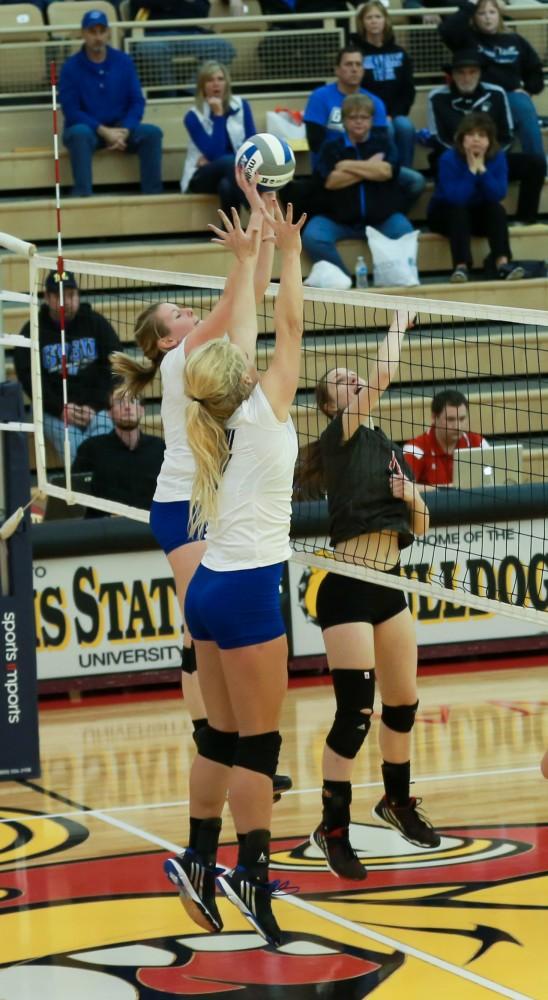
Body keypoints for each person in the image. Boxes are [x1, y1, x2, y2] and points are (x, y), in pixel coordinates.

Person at [110, 177, 290, 800]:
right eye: (177, 315)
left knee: (206, 632)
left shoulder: (205, 353)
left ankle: (234, 745)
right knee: (199, 635)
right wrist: (258, 223)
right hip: (183, 508)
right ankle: (221, 745)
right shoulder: (186, 355)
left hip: (205, 502)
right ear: (165, 339)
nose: (188, 314)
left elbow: (253, 291)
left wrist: (264, 222)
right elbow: (243, 287)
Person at [164, 200, 305, 947]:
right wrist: (288, 251)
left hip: (209, 588)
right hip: (249, 589)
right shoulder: (267, 408)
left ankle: (197, 856)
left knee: (218, 734)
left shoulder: (216, 414)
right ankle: (250, 872)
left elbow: (251, 338)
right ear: (244, 376)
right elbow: (286, 329)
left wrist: (249, 259)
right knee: (258, 743)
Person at [297, 310, 438, 880]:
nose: (355, 381)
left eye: (354, 376)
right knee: (355, 714)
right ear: (332, 406)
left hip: (391, 584)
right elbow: (381, 377)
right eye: (343, 381)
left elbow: (423, 526)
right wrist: (397, 328)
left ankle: (396, 802)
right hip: (348, 587)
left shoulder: (384, 445)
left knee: (402, 705)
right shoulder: (342, 435)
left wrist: (411, 495)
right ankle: (333, 830)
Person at [302, 93, 414, 279]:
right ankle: (345, 280)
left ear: (371, 120)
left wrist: (346, 166)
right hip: (338, 220)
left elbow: (387, 172)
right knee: (313, 237)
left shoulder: (384, 143)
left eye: (364, 117)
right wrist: (371, 167)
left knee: (405, 231)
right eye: (353, 117)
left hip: (381, 218)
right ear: (344, 121)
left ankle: (392, 280)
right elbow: (330, 181)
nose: (359, 122)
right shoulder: (331, 147)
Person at [428, 50, 545, 225]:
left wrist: (488, 157)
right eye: (461, 72)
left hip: (492, 158)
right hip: (456, 159)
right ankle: (449, 221)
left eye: (472, 72)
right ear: (452, 75)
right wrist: (466, 158)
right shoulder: (436, 97)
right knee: (438, 161)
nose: (467, 78)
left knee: (536, 163)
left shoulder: (496, 93)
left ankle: (525, 220)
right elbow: (438, 137)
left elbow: (507, 135)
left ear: (480, 73)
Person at [14, 270, 120, 462]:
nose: (65, 302)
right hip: (54, 413)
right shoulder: (33, 330)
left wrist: (95, 405)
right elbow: (30, 379)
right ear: (46, 297)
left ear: (78, 295)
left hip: (97, 408)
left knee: (104, 446)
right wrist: (60, 408)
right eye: (58, 296)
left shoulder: (96, 323)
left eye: (70, 295)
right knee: (73, 446)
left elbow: (115, 367)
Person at [304, 46, 425, 213]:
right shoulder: (320, 97)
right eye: (348, 64)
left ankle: (389, 217)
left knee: (416, 181)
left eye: (358, 65)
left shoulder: (374, 102)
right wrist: (348, 163)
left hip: (364, 164)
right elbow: (315, 142)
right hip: (332, 165)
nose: (354, 69)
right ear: (337, 70)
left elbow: (381, 145)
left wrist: (355, 166)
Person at [59, 10, 163, 197]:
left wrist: (125, 130)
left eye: (102, 31)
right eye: (92, 31)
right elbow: (71, 110)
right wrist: (103, 131)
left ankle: (153, 194)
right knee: (78, 133)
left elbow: (137, 101)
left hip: (121, 129)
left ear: (108, 33)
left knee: (152, 133)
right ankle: (83, 194)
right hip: (90, 131)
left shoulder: (123, 61)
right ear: (83, 33)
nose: (98, 37)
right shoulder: (70, 67)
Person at [438, 0, 545, 160]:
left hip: (509, 96)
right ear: (474, 17)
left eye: (492, 12)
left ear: (499, 15)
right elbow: (446, 30)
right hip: (479, 95)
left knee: (523, 105)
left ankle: (538, 164)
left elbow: (535, 70)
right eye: (481, 13)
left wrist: (529, 90)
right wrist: (470, 5)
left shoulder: (516, 40)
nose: (487, 18)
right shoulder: (467, 39)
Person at [427, 112, 525, 284]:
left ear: (489, 141)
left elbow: (498, 194)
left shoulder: (497, 157)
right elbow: (456, 198)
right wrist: (472, 171)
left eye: (482, 135)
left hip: (477, 215)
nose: (476, 139)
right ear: (462, 139)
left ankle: (502, 264)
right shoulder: (448, 159)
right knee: (458, 210)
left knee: (497, 209)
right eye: (471, 134)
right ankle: (461, 267)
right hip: (445, 215)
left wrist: (483, 171)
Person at [181, 61, 256, 216]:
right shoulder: (193, 116)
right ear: (202, 86)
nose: (216, 84)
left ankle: (228, 234)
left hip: (235, 172)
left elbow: (252, 145)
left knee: (227, 185)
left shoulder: (242, 106)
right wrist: (218, 115)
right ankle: (256, 209)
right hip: (201, 175)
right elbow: (215, 153)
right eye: (210, 80)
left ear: (227, 83)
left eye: (220, 79)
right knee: (229, 162)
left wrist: (224, 159)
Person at [72, 393, 165, 515]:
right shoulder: (91, 448)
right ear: (109, 413)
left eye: (133, 401)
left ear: (142, 410)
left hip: (149, 526)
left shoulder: (160, 448)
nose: (127, 407)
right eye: (119, 402)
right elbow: (76, 492)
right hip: (104, 529)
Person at [351, 1, 417, 169]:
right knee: (387, 128)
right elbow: (356, 89)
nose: (374, 21)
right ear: (362, 22)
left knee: (406, 127)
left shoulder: (400, 53)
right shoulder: (356, 54)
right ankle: (387, 171)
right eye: (369, 17)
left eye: (378, 17)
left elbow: (408, 90)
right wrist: (378, 114)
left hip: (396, 112)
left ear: (385, 20)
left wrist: (394, 113)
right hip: (368, 113)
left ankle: (405, 172)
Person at [128, 0, 236, 98]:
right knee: (152, 49)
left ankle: (189, 92)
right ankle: (169, 97)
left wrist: (171, 6)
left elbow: (201, 12)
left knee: (223, 48)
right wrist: (181, 4)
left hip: (187, 32)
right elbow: (141, 3)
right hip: (152, 33)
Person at [403, 388, 489, 487]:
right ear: (434, 418)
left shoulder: (478, 443)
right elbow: (404, 487)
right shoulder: (415, 449)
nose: (457, 426)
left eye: (462, 419)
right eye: (450, 419)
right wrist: (450, 490)